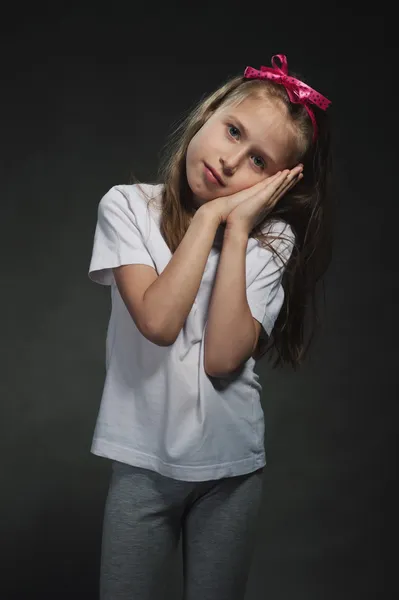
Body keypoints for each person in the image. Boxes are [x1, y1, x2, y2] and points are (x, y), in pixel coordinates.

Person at [88, 54, 333, 600]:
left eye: (258, 161)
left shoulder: (271, 240)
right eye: (233, 131)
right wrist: (206, 219)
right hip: (142, 464)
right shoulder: (127, 207)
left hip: (230, 470)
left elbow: (222, 358)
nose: (230, 161)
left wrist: (238, 226)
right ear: (206, 116)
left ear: (276, 183)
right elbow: (158, 319)